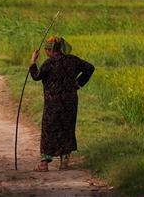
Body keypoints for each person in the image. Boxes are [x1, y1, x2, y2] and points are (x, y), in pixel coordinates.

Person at [28, 36, 95, 171]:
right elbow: (90, 68)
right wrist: (79, 83)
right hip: (70, 101)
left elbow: (36, 76)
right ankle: (64, 163)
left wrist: (32, 61)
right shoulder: (73, 60)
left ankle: (44, 163)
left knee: (49, 130)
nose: (46, 52)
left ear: (49, 50)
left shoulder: (49, 63)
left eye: (47, 50)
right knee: (67, 128)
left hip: (52, 104)